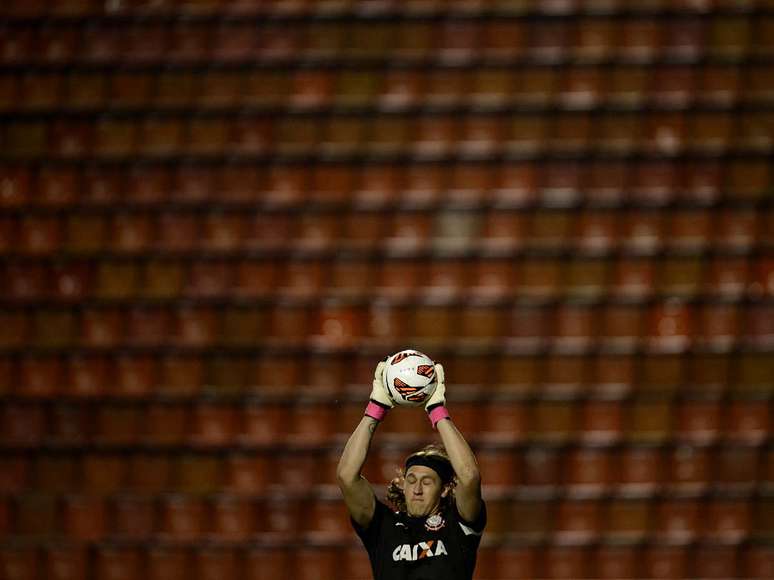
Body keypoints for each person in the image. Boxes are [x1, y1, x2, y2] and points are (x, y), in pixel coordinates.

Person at [337, 359, 486, 580]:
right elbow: (346, 476)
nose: (416, 489)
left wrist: (437, 411)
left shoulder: (458, 525)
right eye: (411, 480)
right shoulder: (383, 527)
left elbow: (470, 476)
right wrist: (375, 408)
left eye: (427, 482)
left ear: (445, 489)